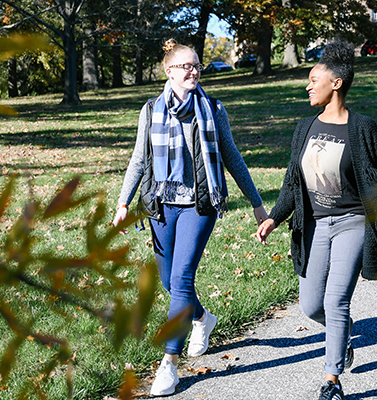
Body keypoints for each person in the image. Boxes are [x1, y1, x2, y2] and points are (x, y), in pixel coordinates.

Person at [254, 41, 377, 400]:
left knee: (335, 301)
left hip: (352, 222)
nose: (307, 85)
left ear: (335, 83)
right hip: (315, 225)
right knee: (311, 305)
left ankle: (332, 382)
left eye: (313, 79)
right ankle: (342, 333)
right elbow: (292, 182)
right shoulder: (304, 128)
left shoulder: (363, 128)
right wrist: (273, 218)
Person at [113, 38, 268, 397]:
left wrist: (257, 203)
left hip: (200, 204)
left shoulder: (213, 109)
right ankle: (202, 318)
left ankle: (169, 363)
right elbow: (139, 159)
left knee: (182, 278)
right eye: (186, 66)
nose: (194, 71)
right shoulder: (150, 109)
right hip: (160, 203)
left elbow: (232, 157)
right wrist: (123, 203)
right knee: (169, 282)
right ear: (168, 71)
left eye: (197, 65)